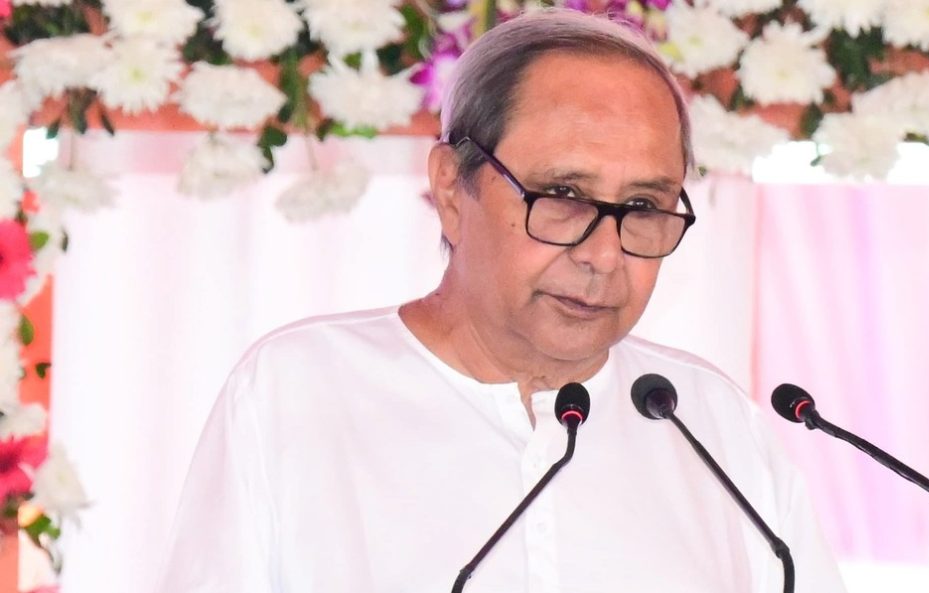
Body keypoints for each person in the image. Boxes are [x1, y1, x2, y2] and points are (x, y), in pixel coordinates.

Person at [156, 8, 847, 593]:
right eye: (564, 195)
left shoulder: (713, 427)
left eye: (642, 205)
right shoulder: (296, 392)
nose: (604, 255)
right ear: (452, 189)